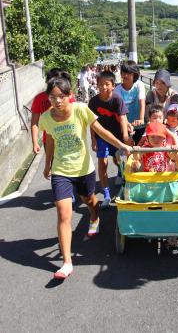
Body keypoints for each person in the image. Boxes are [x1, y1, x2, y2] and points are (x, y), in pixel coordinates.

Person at [39, 76, 131, 279]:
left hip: (83, 169)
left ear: (69, 95)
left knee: (89, 200)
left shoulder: (80, 109)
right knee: (64, 214)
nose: (58, 101)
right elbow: (51, 141)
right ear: (48, 98)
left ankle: (95, 216)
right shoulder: (45, 118)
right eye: (53, 97)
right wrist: (48, 165)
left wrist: (122, 145)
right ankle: (67, 263)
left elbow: (101, 131)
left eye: (61, 96)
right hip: (61, 170)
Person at [88, 70, 129, 208]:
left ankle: (119, 171)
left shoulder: (117, 99)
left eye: (106, 84)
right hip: (101, 138)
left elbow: (123, 118)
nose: (103, 87)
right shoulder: (93, 102)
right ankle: (106, 195)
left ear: (113, 85)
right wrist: (93, 140)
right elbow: (91, 123)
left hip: (116, 137)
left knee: (117, 160)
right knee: (102, 163)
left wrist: (125, 137)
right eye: (100, 84)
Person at [31, 68, 76, 154]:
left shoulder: (69, 97)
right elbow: (34, 122)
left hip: (68, 138)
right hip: (49, 140)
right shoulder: (39, 99)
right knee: (52, 165)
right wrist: (35, 142)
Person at [114, 62, 146, 143]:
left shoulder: (139, 84)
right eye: (123, 73)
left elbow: (142, 101)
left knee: (140, 150)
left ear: (134, 75)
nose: (125, 75)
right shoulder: (117, 89)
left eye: (128, 73)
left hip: (139, 125)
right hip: (125, 125)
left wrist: (141, 119)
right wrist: (127, 123)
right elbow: (120, 110)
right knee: (126, 151)